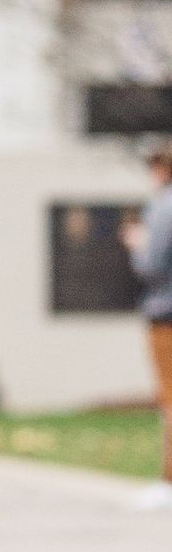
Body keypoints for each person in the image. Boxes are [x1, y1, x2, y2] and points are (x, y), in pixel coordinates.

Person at [123, 139, 172, 511]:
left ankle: (168, 479)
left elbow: (151, 264)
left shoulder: (163, 206)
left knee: (169, 397)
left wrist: (137, 243)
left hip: (166, 312)